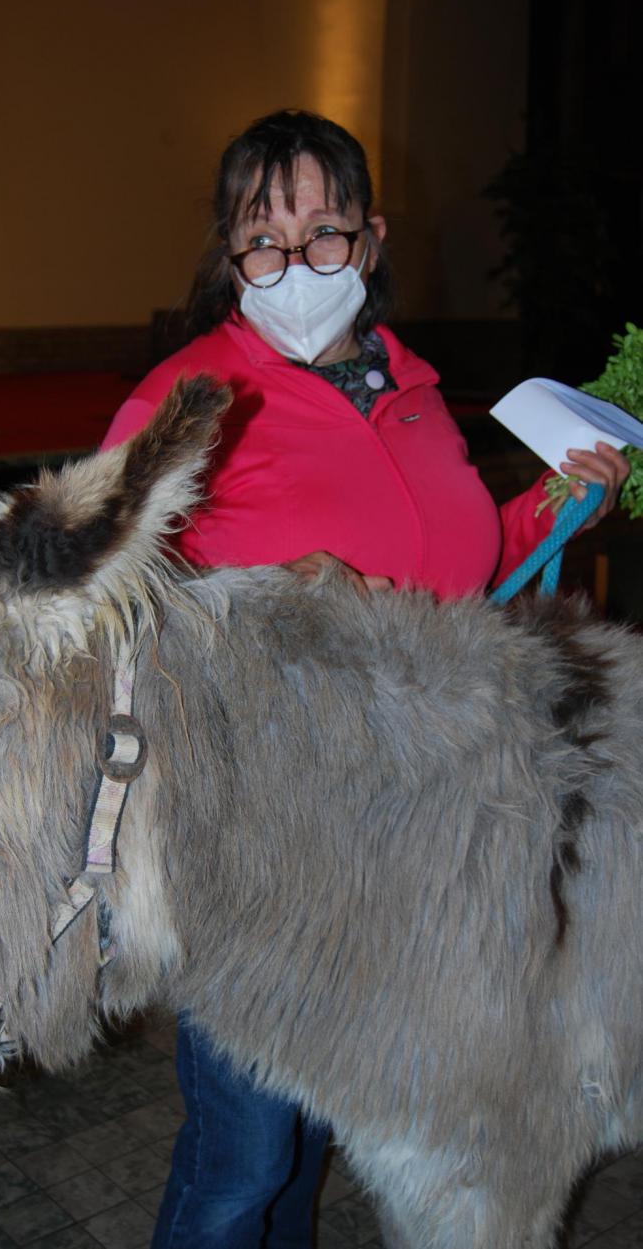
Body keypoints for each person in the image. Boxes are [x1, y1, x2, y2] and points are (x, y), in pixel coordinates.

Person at [101, 109, 629, 1249]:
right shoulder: (185, 399)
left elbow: (459, 563)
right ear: (227, 253)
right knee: (241, 1153)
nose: (295, 269)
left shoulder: (413, 387)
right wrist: (267, 594)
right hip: (263, 827)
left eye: (324, 236)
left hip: (407, 824)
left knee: (322, 1119)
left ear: (371, 240)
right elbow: (99, 607)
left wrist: (556, 501)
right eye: (264, 241)